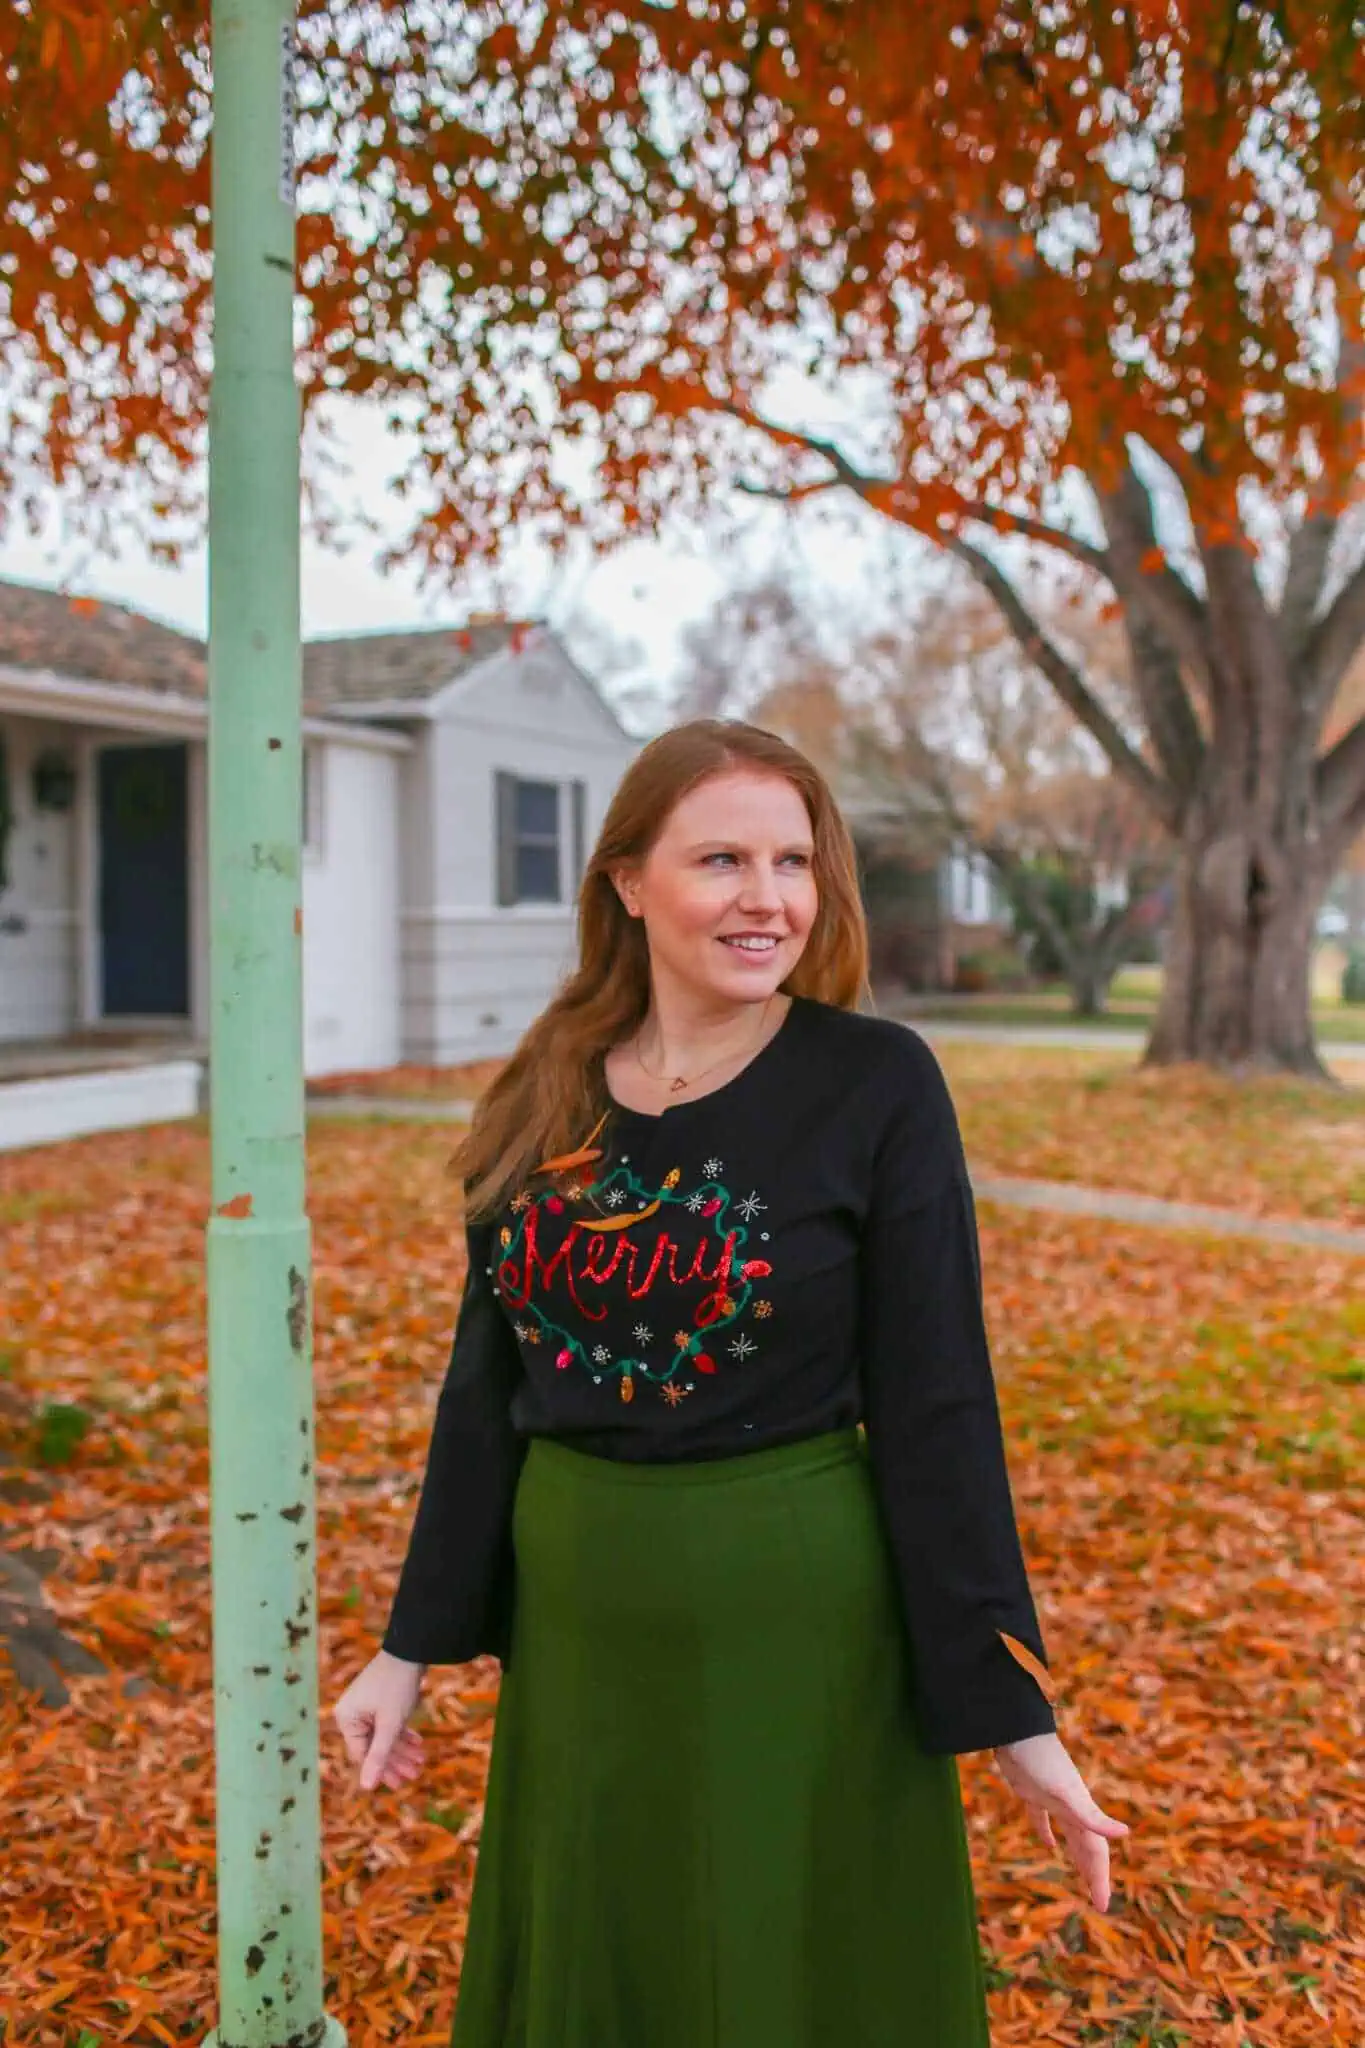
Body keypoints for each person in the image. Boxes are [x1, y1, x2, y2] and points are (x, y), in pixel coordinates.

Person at [333, 718, 1129, 2047]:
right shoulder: (544, 1090)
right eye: (723, 860)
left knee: (782, 1972)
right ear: (630, 882)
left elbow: (939, 1405)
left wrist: (1013, 1716)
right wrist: (410, 1645)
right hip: (583, 1627)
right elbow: (486, 1391)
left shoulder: (874, 1084)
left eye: (794, 863)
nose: (769, 900)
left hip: (798, 1622)